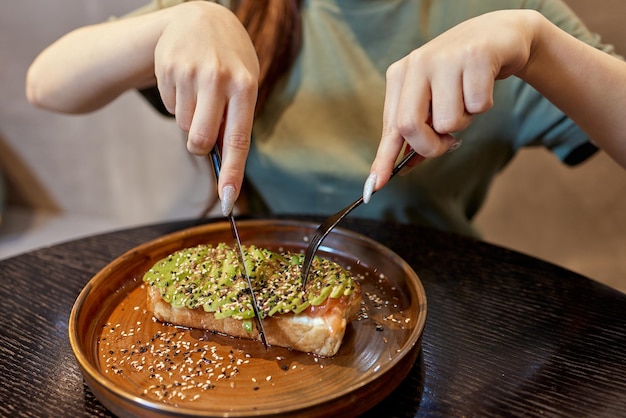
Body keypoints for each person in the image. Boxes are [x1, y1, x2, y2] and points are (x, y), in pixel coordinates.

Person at [25, 1, 625, 238]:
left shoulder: (501, 14)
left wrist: (538, 46)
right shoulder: (237, 7)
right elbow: (47, 84)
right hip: (259, 282)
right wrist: (172, 22)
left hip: (441, 301)